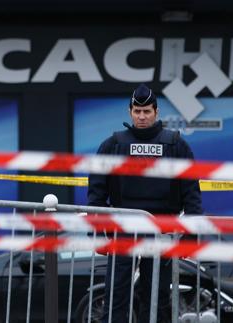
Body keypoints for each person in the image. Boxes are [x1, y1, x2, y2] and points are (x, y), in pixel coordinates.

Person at [87, 83, 203, 323]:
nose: (142, 116)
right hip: (123, 230)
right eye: (137, 112)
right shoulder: (113, 145)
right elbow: (96, 191)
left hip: (161, 231)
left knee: (158, 296)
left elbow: (192, 192)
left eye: (147, 111)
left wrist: (191, 235)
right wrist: (98, 230)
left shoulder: (175, 145)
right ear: (130, 112)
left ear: (156, 113)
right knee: (116, 294)